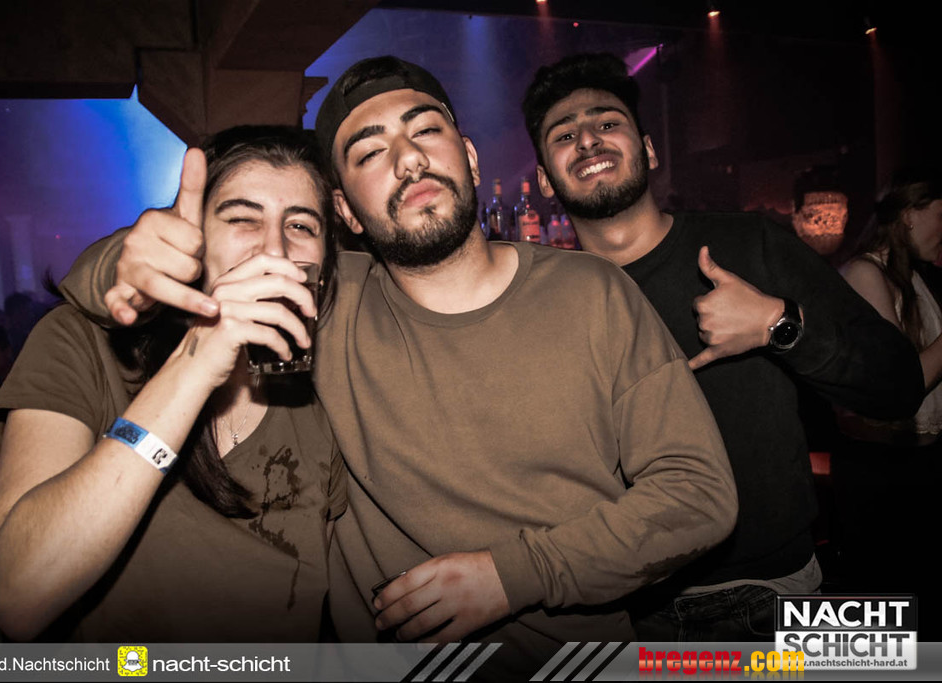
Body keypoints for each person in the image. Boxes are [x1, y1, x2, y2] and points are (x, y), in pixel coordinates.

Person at [58, 57, 737, 671]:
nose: (409, 159)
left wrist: (513, 575)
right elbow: (115, 284)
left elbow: (699, 495)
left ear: (470, 158)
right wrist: (129, 259)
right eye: (370, 151)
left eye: (426, 131)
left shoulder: (594, 293)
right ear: (345, 211)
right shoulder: (323, 305)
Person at [520, 52, 925, 641]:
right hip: (624, 611)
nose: (587, 139)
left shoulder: (749, 245)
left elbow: (898, 386)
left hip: (773, 593)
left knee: (902, 659)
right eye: (564, 135)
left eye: (607, 122)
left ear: (649, 151)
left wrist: (778, 325)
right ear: (544, 179)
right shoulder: (545, 299)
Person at [0, 126, 344, 642]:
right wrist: (198, 361)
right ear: (191, 238)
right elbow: (17, 597)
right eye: (242, 218)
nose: (275, 250)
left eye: (301, 225)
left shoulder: (328, 380)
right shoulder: (80, 345)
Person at [834, 169, 942, 636]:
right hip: (881, 472)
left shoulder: (914, 278)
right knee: (887, 622)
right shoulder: (864, 273)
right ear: (910, 214)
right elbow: (901, 384)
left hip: (915, 464)